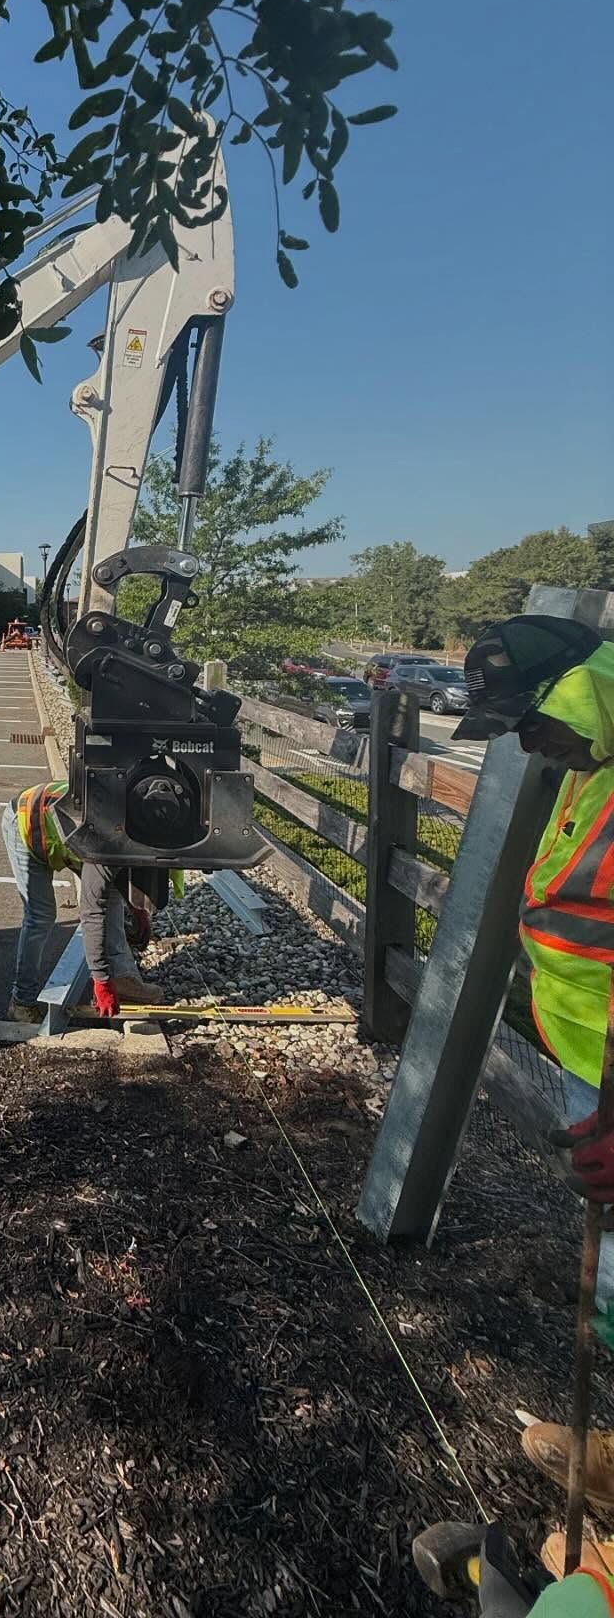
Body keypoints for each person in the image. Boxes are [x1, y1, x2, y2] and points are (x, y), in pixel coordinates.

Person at [443, 617, 614, 1531]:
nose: (522, 741)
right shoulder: (593, 769)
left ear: (575, 690)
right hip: (594, 1057)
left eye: (528, 719)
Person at [1, 779, 165, 1023]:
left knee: (113, 897)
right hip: (26, 821)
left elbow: (129, 876)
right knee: (41, 916)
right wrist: (100, 981)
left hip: (68, 831)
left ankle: (121, 978)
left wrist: (139, 907)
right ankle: (21, 1001)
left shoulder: (141, 827)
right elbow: (92, 911)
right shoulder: (109, 840)